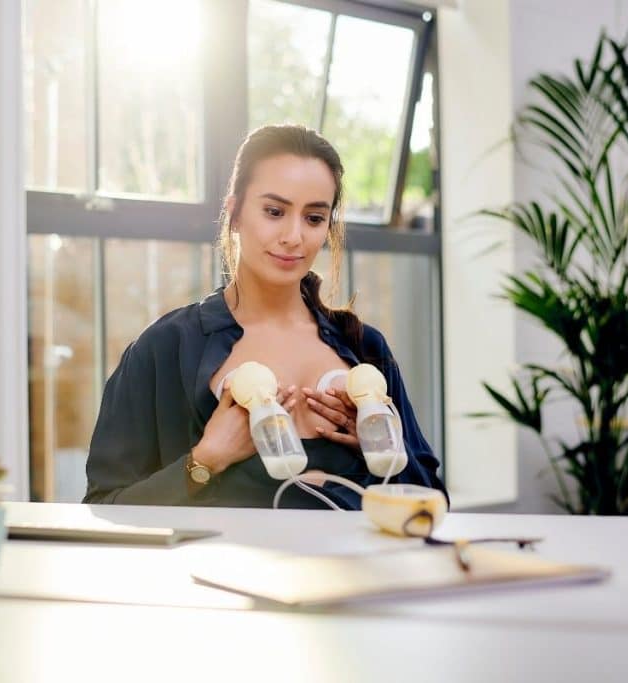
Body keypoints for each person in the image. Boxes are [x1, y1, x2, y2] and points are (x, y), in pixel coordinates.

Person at [83, 124, 446, 509]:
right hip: (218, 571)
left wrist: (378, 444)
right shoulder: (165, 349)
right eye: (274, 211)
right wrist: (205, 460)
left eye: (314, 218)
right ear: (235, 212)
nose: (294, 236)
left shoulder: (364, 345)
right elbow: (104, 508)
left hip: (355, 570)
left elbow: (432, 500)